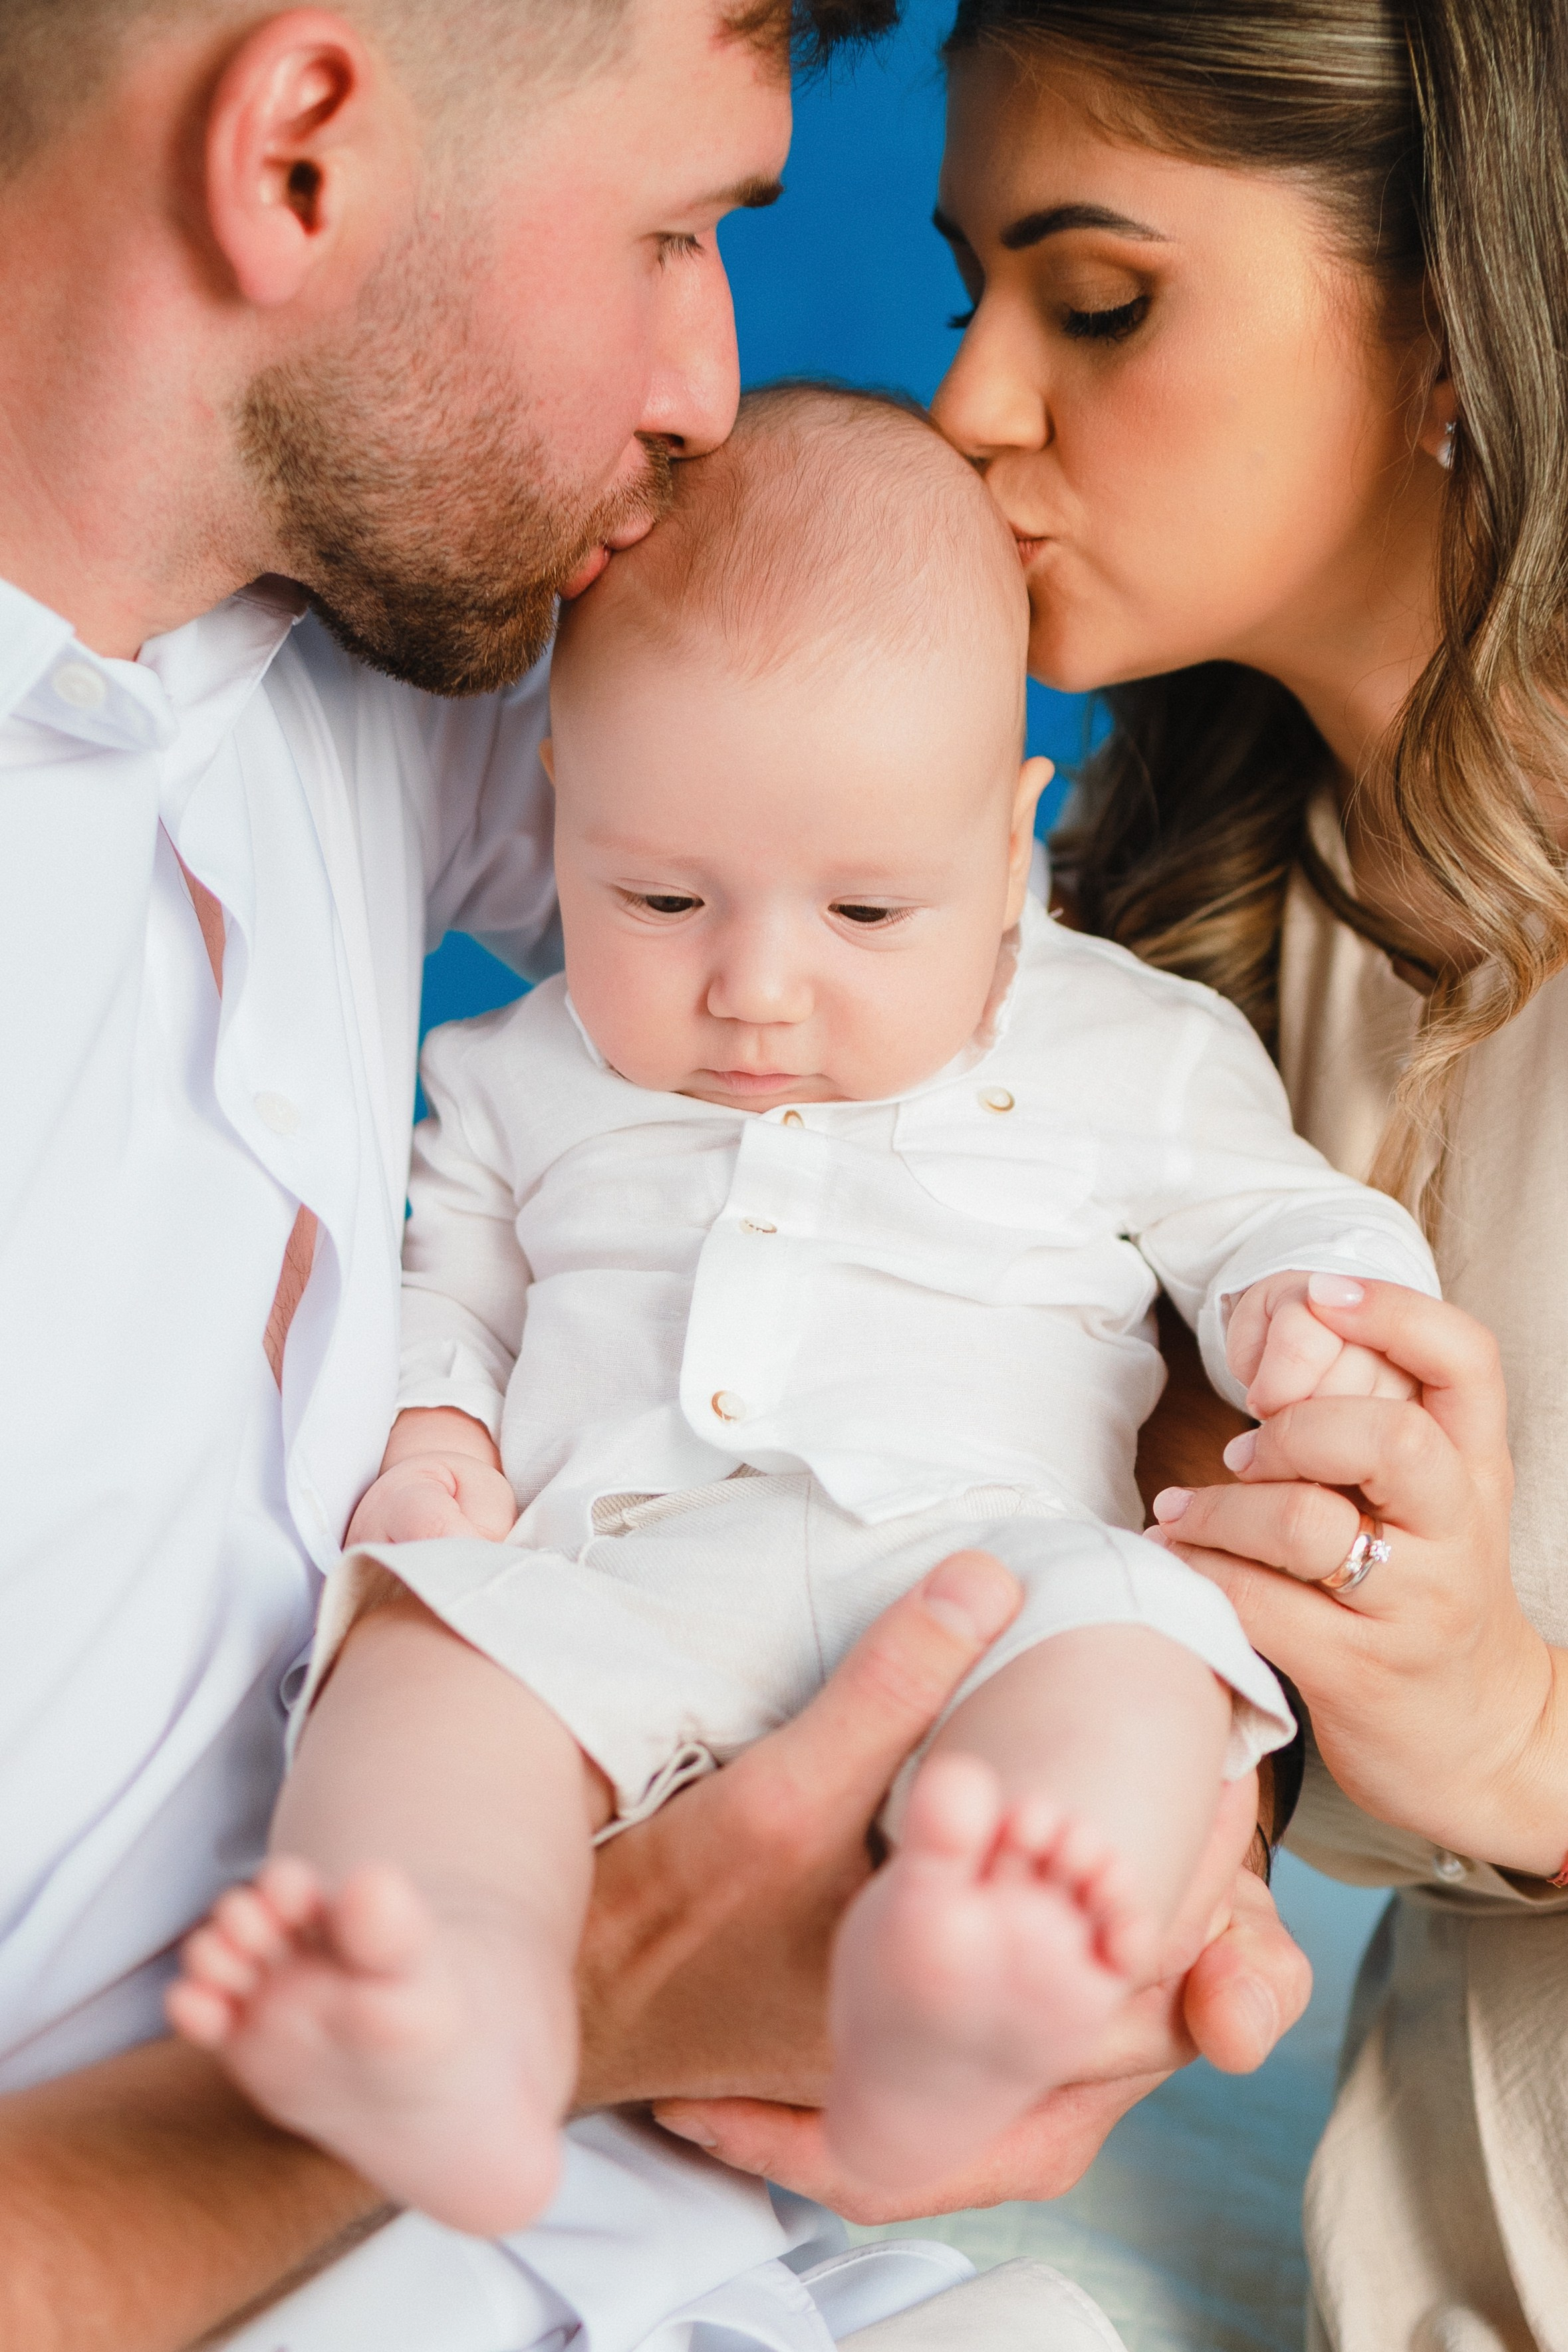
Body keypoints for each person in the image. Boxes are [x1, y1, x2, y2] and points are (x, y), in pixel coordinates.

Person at [0, 3, 1313, 2348]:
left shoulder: (361, 661)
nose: (717, 377)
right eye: (679, 230)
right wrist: (614, 1989)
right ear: (301, 157)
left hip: (740, 2238)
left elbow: (886, 905)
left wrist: (1173, 1635)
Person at [165, 382, 1436, 2232]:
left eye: (867, 911)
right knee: (429, 1662)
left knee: (1132, 1671)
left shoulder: (1126, 1041)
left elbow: (1269, 1208)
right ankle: (422, 1981)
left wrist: (1313, 1306)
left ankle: (976, 1971)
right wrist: (436, 1431)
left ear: (1013, 844)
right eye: (662, 893)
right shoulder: (520, 1071)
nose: (756, 987)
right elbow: (449, 1277)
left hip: (996, 1571)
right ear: (561, 810)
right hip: (619, 1575)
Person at [930, 0, 1568, 2344]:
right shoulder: (1170, 972)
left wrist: (1516, 1728)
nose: (972, 404)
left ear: (1448, 319)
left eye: (1099, 300)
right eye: (970, 292)